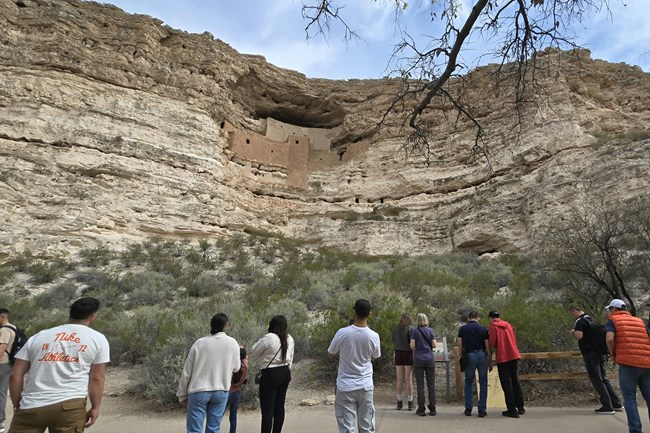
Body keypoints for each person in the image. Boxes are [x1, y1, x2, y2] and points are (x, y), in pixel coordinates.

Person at [8, 297, 110, 433]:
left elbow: (16, 374)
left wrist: (17, 405)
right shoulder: (97, 339)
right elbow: (97, 377)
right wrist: (95, 407)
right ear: (93, 316)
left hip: (32, 404)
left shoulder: (39, 336)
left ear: (71, 313)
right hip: (70, 406)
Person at [177, 313, 241, 433]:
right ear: (226, 325)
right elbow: (236, 368)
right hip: (221, 390)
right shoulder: (233, 343)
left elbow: (187, 372)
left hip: (199, 391)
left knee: (194, 430)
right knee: (214, 428)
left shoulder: (199, 343)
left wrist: (182, 394)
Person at [328, 299, 381, 433]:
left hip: (345, 385)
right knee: (367, 426)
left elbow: (331, 353)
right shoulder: (374, 336)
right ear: (369, 313)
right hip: (365, 385)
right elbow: (375, 356)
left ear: (354, 312)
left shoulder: (342, 333)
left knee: (347, 427)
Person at [604, 299, 650, 433]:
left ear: (614, 309)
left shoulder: (613, 320)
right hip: (646, 363)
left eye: (609, 309)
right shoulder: (640, 321)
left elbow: (610, 339)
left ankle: (636, 430)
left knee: (629, 398)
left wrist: (612, 354)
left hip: (628, 363)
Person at [570, 306, 622, 414]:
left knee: (596, 378)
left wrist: (573, 332)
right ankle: (616, 403)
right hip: (599, 352)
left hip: (590, 353)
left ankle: (607, 405)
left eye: (572, 313)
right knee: (603, 378)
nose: (572, 315)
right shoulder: (591, 319)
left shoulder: (579, 321)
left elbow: (579, 336)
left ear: (575, 311)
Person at [250, 315, 294, 433]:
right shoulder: (289, 338)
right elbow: (290, 358)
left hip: (270, 373)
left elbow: (254, 351)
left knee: (267, 411)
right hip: (285, 372)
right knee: (279, 407)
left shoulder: (270, 337)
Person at [488, 310, 525, 418]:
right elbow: (514, 339)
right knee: (515, 381)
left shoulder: (493, 326)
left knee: (506, 383)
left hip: (503, 357)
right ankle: (520, 407)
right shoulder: (508, 325)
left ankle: (511, 409)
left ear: (491, 318)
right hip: (513, 355)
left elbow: (492, 342)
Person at [457, 310, 492, 417]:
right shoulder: (483, 329)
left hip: (469, 355)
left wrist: (461, 357)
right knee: (483, 382)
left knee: (468, 381)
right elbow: (487, 346)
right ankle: (482, 409)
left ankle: (468, 408)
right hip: (481, 355)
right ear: (478, 318)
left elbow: (459, 344)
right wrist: (489, 360)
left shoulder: (462, 329)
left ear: (468, 318)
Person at [410, 313, 436, 417]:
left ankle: (421, 408)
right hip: (429, 358)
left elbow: (412, 345)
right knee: (431, 384)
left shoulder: (415, 331)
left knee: (420, 384)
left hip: (418, 359)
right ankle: (433, 407)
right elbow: (434, 344)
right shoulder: (430, 330)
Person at [391, 313, 413, 410]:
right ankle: (410, 402)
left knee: (399, 379)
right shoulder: (410, 329)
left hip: (398, 353)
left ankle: (399, 401)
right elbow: (411, 343)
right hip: (407, 354)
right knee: (409, 379)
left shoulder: (395, 329)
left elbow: (393, 340)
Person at [224, 347, 249, 433]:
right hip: (236, 393)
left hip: (228, 393)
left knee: (217, 416)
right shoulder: (245, 367)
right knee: (233, 417)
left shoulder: (232, 365)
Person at [0, 308, 16, 433]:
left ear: (2, 317)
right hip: (8, 364)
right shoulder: (13, 327)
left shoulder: (4, 330)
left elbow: (2, 348)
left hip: (2, 364)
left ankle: (0, 421)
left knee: (1, 393)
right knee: (2, 391)